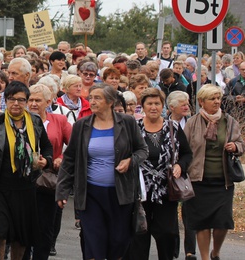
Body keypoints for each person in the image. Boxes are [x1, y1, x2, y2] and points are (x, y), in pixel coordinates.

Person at [56, 84, 149, 260]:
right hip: (91, 193)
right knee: (94, 240)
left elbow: (142, 150)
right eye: (90, 98)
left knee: (119, 241)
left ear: (111, 102)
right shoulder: (82, 125)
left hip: (121, 193)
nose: (92, 101)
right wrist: (62, 190)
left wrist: (130, 161)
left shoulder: (127, 123)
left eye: (97, 98)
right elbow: (69, 159)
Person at [0, 81, 52, 260]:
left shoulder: (35, 121)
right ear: (5, 101)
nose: (16, 104)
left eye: (21, 100)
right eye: (11, 99)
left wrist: (47, 160)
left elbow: (46, 147)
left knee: (21, 234)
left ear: (27, 102)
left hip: (26, 185)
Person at [128, 88, 193, 260]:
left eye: (157, 103)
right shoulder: (134, 128)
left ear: (163, 106)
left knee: (166, 233)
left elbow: (187, 153)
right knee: (140, 233)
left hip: (166, 189)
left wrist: (180, 165)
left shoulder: (173, 127)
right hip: (140, 190)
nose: (153, 107)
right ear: (143, 106)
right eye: (149, 103)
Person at [183, 84, 244, 260]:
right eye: (212, 98)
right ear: (201, 101)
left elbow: (241, 144)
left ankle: (215, 252)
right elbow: (183, 149)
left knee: (223, 222)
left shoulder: (229, 121)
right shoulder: (192, 122)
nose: (217, 102)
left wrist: (236, 146)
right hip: (198, 179)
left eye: (218, 98)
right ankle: (205, 257)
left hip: (223, 180)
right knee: (202, 222)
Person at [27, 83, 72, 260]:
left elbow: (75, 143)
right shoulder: (21, 120)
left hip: (49, 178)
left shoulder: (59, 121)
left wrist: (61, 157)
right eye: (30, 100)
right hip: (24, 178)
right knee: (25, 225)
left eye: (38, 100)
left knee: (45, 225)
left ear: (48, 102)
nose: (33, 104)